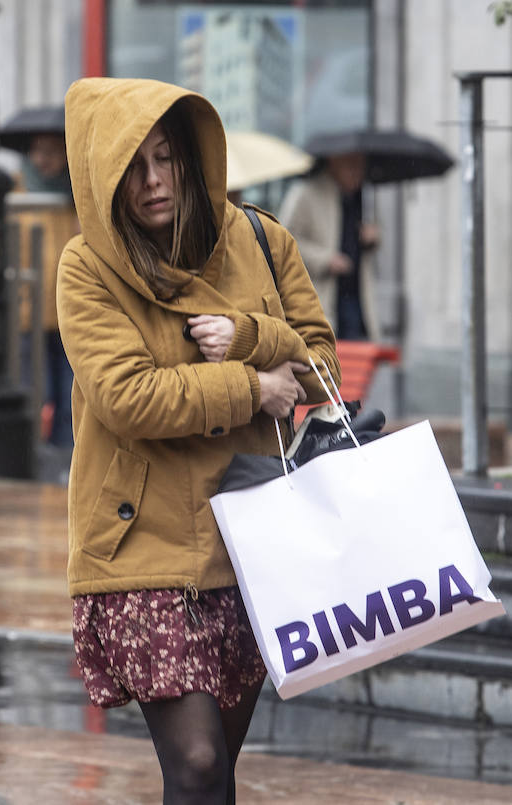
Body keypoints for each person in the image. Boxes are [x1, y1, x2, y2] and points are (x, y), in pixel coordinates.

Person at [56, 77, 340, 803]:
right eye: (132, 167)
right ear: (104, 178)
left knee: (216, 777)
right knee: (198, 765)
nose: (153, 182)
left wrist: (251, 336)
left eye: (166, 159)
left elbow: (322, 366)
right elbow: (128, 397)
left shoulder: (260, 239)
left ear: (191, 157)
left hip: (247, 540)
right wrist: (252, 387)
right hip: (142, 548)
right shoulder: (87, 268)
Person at [10, 128, 79, 449]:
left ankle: (66, 465)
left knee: (71, 397)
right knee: (36, 394)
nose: (44, 159)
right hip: (29, 310)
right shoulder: (15, 189)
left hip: (71, 312)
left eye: (53, 150)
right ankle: (33, 457)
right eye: (37, 150)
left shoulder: (78, 190)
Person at [277, 151, 380, 341]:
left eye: (360, 166)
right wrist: (325, 260)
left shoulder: (364, 198)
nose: (357, 173)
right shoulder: (305, 193)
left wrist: (372, 239)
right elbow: (282, 242)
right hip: (320, 298)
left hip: (357, 300)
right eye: (351, 165)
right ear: (333, 162)